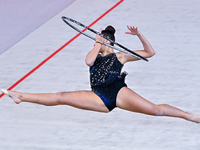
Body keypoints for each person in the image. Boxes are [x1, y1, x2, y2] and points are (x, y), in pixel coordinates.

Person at [1, 25, 200, 123]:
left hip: (117, 91)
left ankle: (189, 115)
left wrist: (139, 35)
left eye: (102, 41)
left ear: (109, 43)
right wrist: (97, 42)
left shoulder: (120, 56)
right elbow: (88, 61)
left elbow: (150, 53)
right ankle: (20, 96)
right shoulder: (94, 55)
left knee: (156, 111)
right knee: (61, 97)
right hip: (98, 95)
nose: (97, 44)